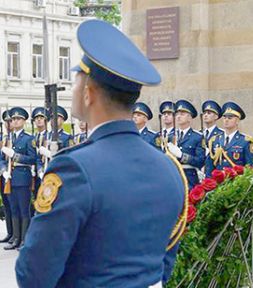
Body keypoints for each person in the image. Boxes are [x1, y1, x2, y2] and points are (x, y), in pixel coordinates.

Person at [16, 19, 185, 287]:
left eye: (75, 82)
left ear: (88, 93)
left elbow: (34, 271)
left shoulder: (73, 168)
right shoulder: (169, 167)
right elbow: (166, 259)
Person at [1, 107, 36, 250]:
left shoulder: (29, 139)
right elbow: (2, 159)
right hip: (10, 178)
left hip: (22, 178)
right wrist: (3, 169)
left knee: (23, 210)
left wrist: (15, 156)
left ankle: (24, 240)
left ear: (24, 121)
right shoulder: (8, 139)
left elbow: (32, 158)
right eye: (13, 119)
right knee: (13, 209)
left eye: (18, 119)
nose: (15, 121)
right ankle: (15, 238)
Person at [205, 102, 253, 176]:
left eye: (230, 118)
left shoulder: (245, 141)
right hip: (218, 183)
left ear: (237, 121)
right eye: (225, 118)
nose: (226, 120)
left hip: (236, 183)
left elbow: (250, 167)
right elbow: (209, 167)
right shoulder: (214, 140)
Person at [166, 100, 206, 190]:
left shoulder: (197, 137)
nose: (179, 116)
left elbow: (200, 161)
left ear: (189, 118)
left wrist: (182, 156)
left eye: (182, 114)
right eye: (177, 114)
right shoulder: (169, 137)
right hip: (173, 177)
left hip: (189, 179)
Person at [0, 110, 14, 244]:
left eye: (10, 121)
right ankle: (10, 233)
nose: (8, 124)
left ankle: (17, 234)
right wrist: (2, 170)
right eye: (6, 122)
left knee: (15, 207)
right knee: (7, 206)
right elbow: (1, 159)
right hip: (5, 176)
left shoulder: (16, 138)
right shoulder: (4, 139)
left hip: (16, 176)